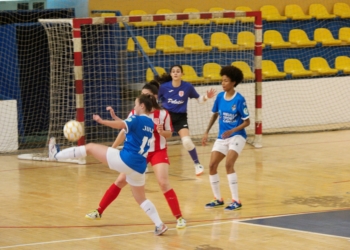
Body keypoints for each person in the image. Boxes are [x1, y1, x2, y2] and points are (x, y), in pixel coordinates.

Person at [50, 94, 168, 235]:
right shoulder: (150, 123)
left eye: (136, 104)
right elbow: (128, 127)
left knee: (90, 147)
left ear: (142, 106)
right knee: (141, 199)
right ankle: (159, 224)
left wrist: (102, 121)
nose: (134, 107)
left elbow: (122, 125)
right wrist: (115, 117)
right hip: (139, 166)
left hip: (125, 160)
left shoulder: (136, 119)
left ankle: (56, 155)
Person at [85, 81, 187, 229]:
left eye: (147, 95)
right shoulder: (135, 113)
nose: (144, 97)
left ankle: (179, 217)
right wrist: (112, 149)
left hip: (158, 151)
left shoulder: (164, 114)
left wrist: (161, 132)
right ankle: (99, 210)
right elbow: (123, 130)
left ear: (155, 96)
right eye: (143, 94)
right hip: (139, 154)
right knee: (120, 180)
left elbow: (169, 134)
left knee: (163, 182)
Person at [201, 65, 250, 211]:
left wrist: (233, 130)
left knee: (229, 164)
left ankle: (236, 200)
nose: (223, 83)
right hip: (222, 136)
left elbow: (247, 121)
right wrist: (206, 132)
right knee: (211, 166)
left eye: (226, 81)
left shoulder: (240, 99)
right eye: (222, 80)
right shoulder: (220, 97)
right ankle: (218, 199)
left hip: (237, 136)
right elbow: (215, 114)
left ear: (233, 82)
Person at [157, 65, 216, 176]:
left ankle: (197, 164)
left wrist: (206, 97)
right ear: (170, 74)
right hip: (165, 117)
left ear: (182, 74)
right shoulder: (163, 87)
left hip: (180, 117)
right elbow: (155, 100)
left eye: (178, 71)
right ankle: (144, 163)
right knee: (153, 139)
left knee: (187, 142)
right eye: (173, 71)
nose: (175, 73)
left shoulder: (187, 87)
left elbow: (199, 99)